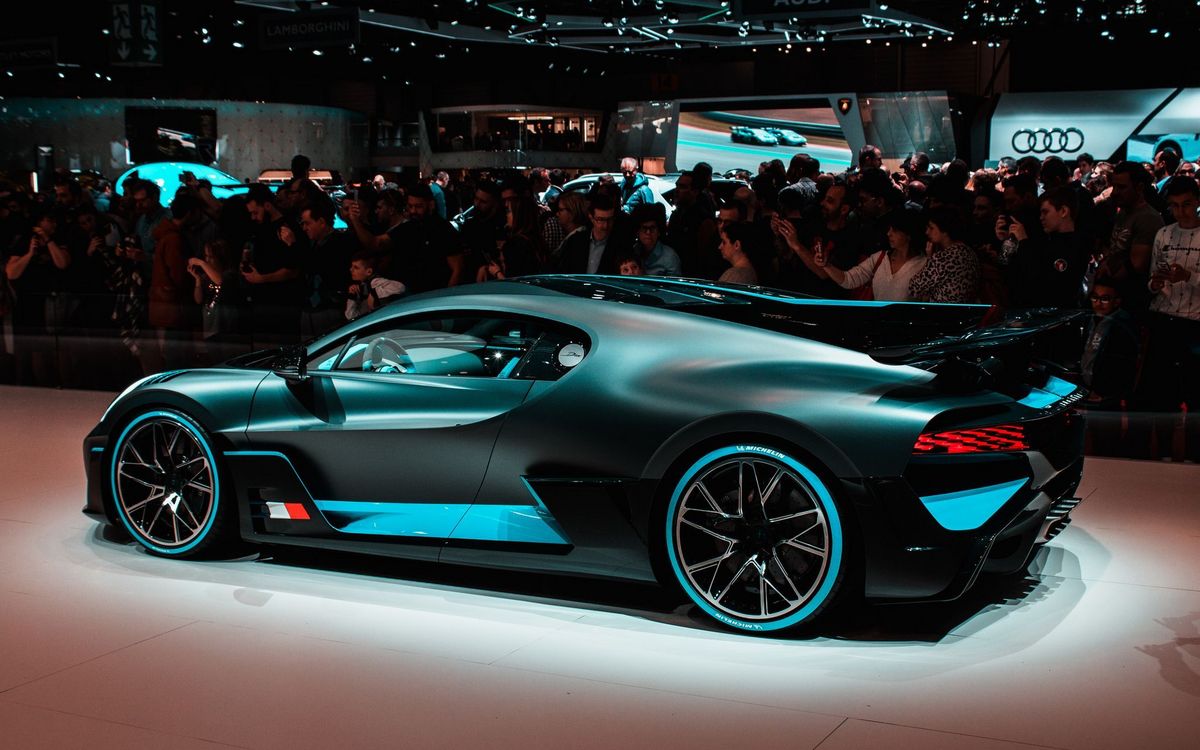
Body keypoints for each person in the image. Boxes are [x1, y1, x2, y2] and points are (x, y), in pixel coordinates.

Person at [1133, 175, 1200, 460]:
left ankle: (1194, 457)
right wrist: (1155, 283)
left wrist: (1189, 276)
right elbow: (1151, 278)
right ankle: (1162, 456)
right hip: (1163, 319)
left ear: (1197, 203)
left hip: (1195, 323)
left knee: (1195, 395)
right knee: (1162, 396)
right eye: (1175, 205)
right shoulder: (1164, 234)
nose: (1181, 211)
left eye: (1187, 204)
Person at [1079, 275, 1139, 456]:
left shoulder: (1123, 326)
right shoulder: (1088, 320)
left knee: (1106, 443)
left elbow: (1122, 365)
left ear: (1117, 301)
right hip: (1086, 389)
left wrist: (1102, 391)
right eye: (1095, 298)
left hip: (1106, 395)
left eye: (1105, 299)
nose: (1098, 303)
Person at [816, 208, 927, 301]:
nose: (889, 233)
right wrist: (826, 265)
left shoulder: (924, 265)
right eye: (889, 229)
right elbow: (849, 279)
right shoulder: (881, 257)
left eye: (895, 230)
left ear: (909, 234)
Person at [909, 206, 980, 303]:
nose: (927, 232)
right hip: (966, 309)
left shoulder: (944, 258)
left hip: (943, 310)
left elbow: (914, 288)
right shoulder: (969, 251)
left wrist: (930, 259)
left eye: (931, 228)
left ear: (945, 229)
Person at [556, 195, 620, 274]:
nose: (605, 225)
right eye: (600, 219)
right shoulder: (576, 241)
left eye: (610, 219)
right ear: (591, 217)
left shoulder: (619, 244)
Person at [345, 251, 405, 320]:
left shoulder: (375, 282)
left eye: (356, 267)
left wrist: (374, 294)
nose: (351, 269)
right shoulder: (362, 287)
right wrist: (352, 297)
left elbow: (401, 287)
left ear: (369, 272)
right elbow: (351, 316)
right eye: (352, 266)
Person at [629, 203, 682, 277]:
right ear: (637, 231)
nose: (648, 232)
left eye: (652, 228)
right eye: (644, 228)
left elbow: (673, 283)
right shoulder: (633, 251)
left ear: (659, 231)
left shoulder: (670, 257)